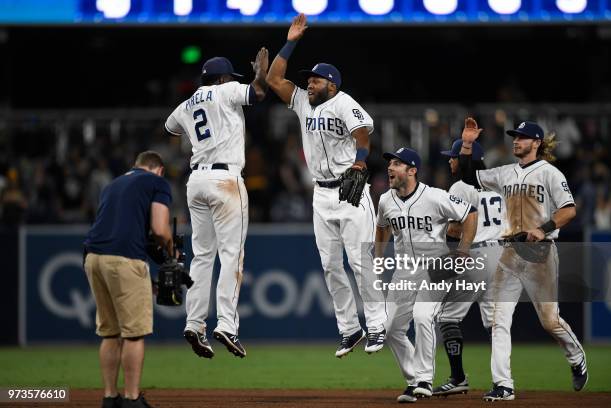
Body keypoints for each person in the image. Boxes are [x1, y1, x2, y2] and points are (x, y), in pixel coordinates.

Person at [266, 13, 387, 357]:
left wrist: (360, 161)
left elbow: (363, 136)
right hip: (322, 193)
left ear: (331, 84)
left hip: (350, 189)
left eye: (316, 80)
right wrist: (290, 41)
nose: (310, 84)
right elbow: (275, 79)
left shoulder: (344, 101)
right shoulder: (304, 102)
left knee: (361, 261)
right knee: (331, 264)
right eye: (310, 80)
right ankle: (350, 329)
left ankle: (377, 324)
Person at [459, 118, 588, 400]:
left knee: (549, 322)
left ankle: (576, 356)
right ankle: (503, 385)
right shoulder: (506, 172)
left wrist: (542, 230)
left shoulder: (550, 173)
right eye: (515, 136)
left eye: (522, 137)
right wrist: (467, 144)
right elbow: (469, 176)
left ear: (537, 143)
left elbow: (569, 211)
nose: (516, 140)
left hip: (540, 255)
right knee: (499, 320)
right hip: (510, 254)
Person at [165, 48, 269, 359]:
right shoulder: (226, 89)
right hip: (226, 179)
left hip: (196, 181)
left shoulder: (186, 104)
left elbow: (170, 126)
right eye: (228, 77)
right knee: (231, 255)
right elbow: (258, 93)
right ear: (222, 78)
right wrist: (260, 74)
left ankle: (194, 323)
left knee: (201, 257)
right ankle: (226, 324)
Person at [374, 147, 478, 403]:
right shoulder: (386, 200)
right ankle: (413, 381)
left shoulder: (434, 197)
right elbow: (382, 227)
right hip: (404, 270)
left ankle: (424, 379)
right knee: (390, 329)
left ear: (412, 170)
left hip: (435, 266)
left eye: (397, 164)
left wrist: (463, 249)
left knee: (422, 317)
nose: (390, 167)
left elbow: (471, 214)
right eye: (390, 163)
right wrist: (378, 256)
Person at [84, 151, 173, 408]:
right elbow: (159, 228)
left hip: (93, 257)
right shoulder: (157, 183)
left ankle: (110, 398)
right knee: (134, 334)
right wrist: (171, 253)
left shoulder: (113, 184)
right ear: (160, 169)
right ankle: (133, 399)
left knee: (110, 333)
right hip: (124, 259)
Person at [432, 140, 507, 397]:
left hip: (475, 254)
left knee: (447, 317)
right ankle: (503, 383)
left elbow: (455, 228)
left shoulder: (461, 186)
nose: (450, 161)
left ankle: (458, 377)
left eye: (454, 157)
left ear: (465, 160)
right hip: (501, 255)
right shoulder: (497, 184)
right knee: (496, 325)